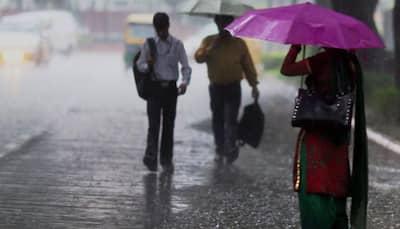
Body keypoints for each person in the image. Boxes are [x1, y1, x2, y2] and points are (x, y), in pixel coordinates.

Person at [280, 45, 368, 229]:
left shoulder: (320, 60)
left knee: (314, 186)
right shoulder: (351, 64)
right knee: (336, 186)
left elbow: (286, 69)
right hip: (338, 137)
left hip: (316, 135)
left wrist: (295, 48)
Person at [194, 15, 259, 164]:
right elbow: (198, 58)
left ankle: (230, 148)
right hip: (216, 87)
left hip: (233, 87)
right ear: (216, 23)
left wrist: (254, 85)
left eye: (227, 23)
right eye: (221, 23)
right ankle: (219, 148)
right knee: (217, 119)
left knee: (231, 120)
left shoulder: (239, 43)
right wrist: (211, 47)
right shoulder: (209, 40)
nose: (223, 26)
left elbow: (248, 66)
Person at [137, 12, 192, 172]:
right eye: (158, 29)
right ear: (155, 28)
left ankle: (166, 160)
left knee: (169, 125)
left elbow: (185, 66)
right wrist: (148, 64)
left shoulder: (177, 44)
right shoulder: (149, 44)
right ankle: (151, 158)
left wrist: (185, 82)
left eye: (163, 28)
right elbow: (140, 65)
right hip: (154, 89)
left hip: (171, 90)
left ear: (168, 26)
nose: (161, 32)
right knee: (153, 125)